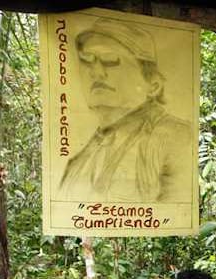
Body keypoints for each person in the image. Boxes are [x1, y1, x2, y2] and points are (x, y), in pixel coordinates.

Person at [57, 17, 192, 203]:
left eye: (110, 60)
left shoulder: (175, 138)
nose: (96, 72)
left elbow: (176, 207)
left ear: (153, 85)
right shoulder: (81, 160)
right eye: (86, 59)